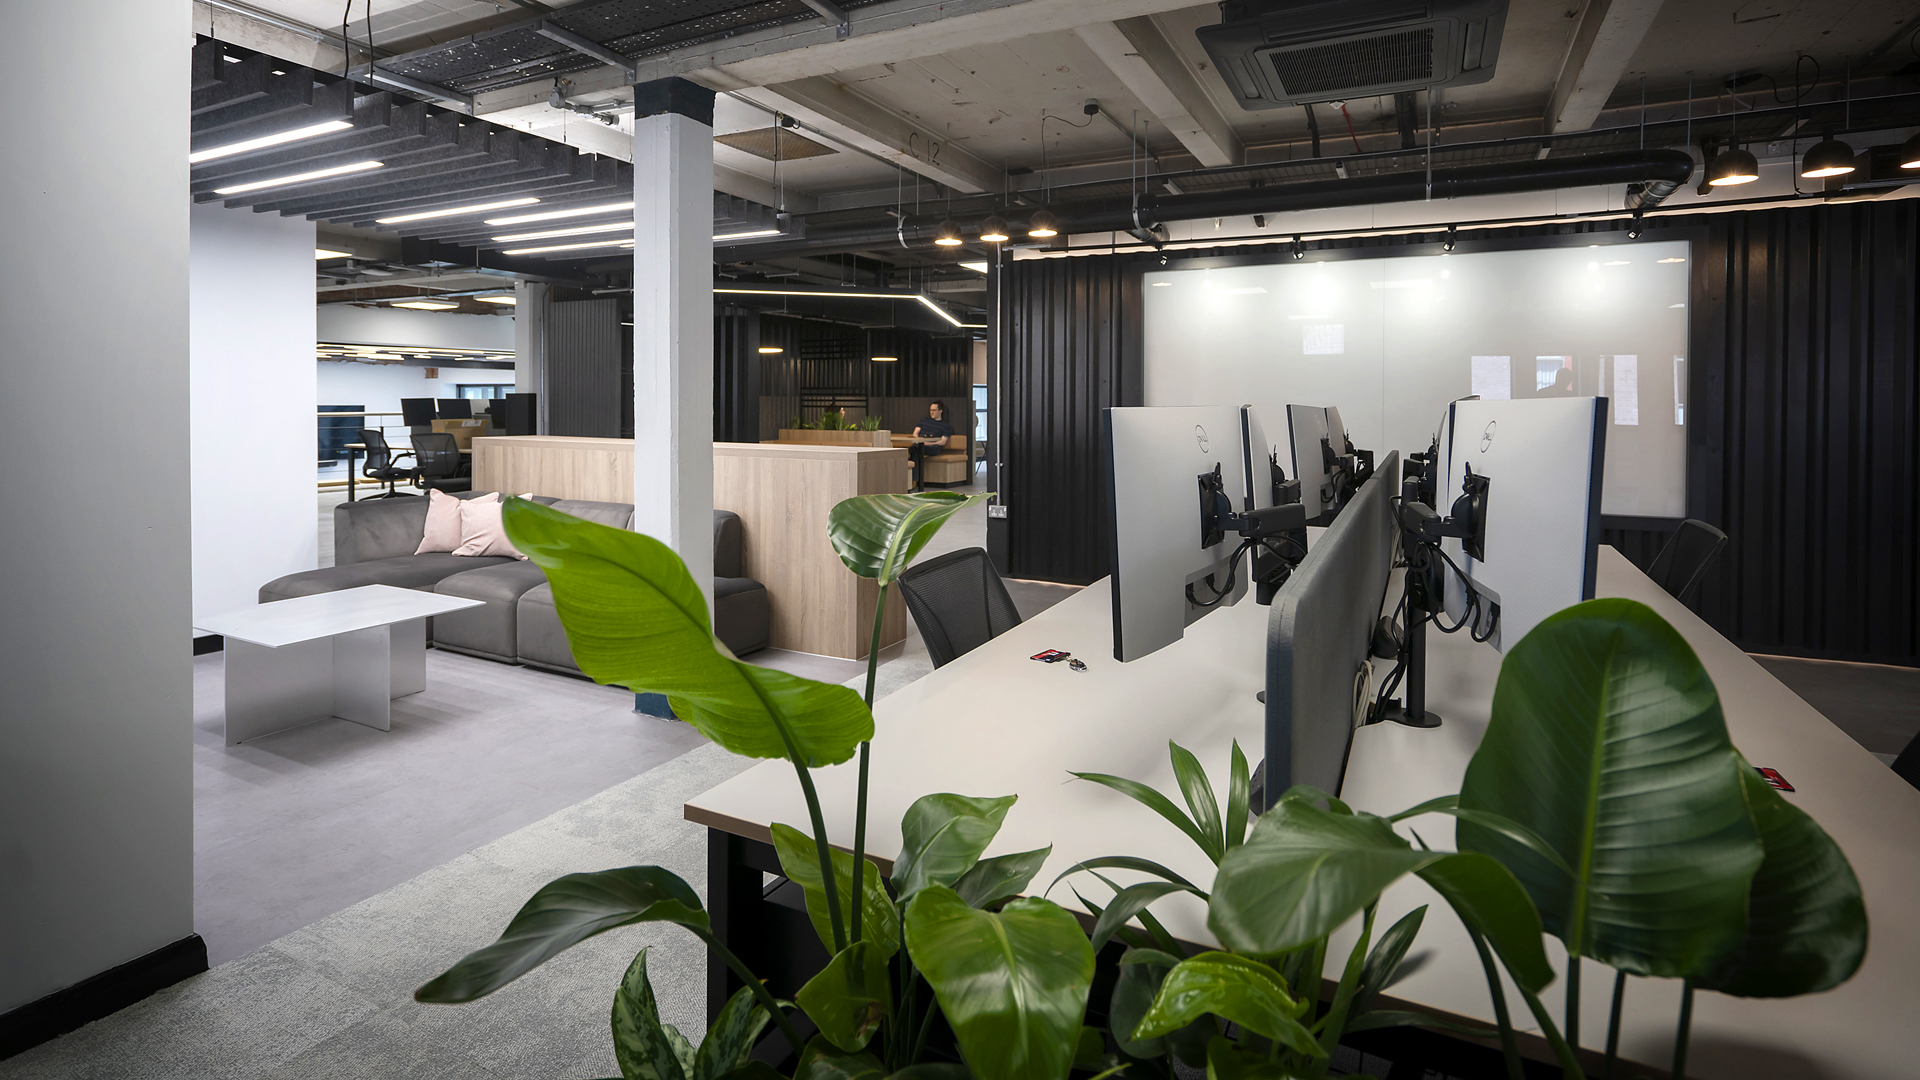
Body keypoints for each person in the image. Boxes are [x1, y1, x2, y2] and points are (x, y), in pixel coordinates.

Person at [908, 400, 956, 492]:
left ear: (940, 411)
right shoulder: (924, 421)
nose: (932, 412)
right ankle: (915, 480)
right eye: (930, 410)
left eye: (934, 410)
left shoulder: (946, 426)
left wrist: (928, 444)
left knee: (915, 451)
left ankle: (913, 480)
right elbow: (915, 433)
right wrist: (919, 441)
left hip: (934, 447)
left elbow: (942, 442)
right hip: (920, 445)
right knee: (914, 449)